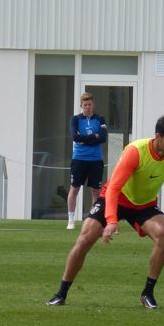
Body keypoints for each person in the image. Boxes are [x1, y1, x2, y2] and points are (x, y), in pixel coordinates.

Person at [47, 115, 164, 309]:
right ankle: (61, 293)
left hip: (144, 205)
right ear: (158, 137)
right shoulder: (136, 152)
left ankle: (147, 293)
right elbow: (113, 187)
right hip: (116, 197)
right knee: (85, 239)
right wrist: (112, 220)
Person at [67, 92, 108, 230]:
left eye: (90, 104)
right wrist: (93, 138)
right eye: (85, 105)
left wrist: (86, 139)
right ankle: (71, 220)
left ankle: (93, 221)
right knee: (75, 189)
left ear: (93, 105)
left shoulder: (100, 119)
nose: (88, 107)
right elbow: (75, 137)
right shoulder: (75, 119)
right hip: (79, 159)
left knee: (96, 191)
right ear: (81, 106)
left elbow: (103, 138)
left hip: (95, 160)